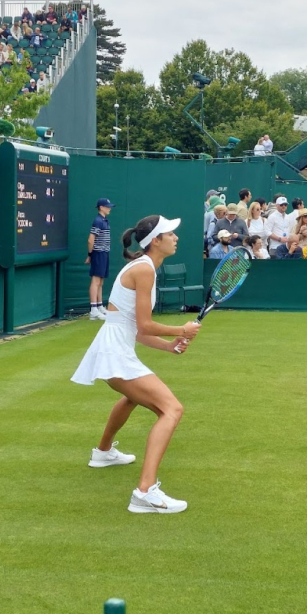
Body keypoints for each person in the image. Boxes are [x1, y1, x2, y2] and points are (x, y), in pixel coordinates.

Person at [71, 215, 200, 514]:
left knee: (132, 396)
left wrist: (168, 346)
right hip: (113, 351)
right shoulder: (144, 270)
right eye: (170, 233)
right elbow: (145, 323)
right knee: (172, 409)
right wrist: (181, 330)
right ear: (156, 240)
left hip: (113, 347)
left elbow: (138, 331)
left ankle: (103, 452)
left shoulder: (143, 267)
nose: (175, 237)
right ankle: (145, 493)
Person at [86, 198, 115, 320]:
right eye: (107, 206)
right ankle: (93, 310)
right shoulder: (98, 221)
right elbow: (90, 239)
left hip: (104, 253)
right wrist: (91, 255)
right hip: (98, 253)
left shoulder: (104, 220)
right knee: (95, 280)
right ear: (101, 207)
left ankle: (99, 306)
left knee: (101, 281)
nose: (109, 208)